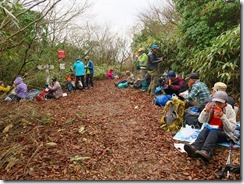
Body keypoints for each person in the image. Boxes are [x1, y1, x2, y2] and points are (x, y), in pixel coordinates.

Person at [183, 91, 238, 162]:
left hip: (224, 132)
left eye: (220, 103)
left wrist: (222, 117)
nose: (217, 104)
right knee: (205, 129)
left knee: (213, 132)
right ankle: (194, 147)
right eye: (216, 102)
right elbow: (200, 120)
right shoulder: (211, 106)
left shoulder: (230, 110)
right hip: (211, 129)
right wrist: (206, 111)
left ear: (225, 102)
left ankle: (206, 151)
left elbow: (231, 128)